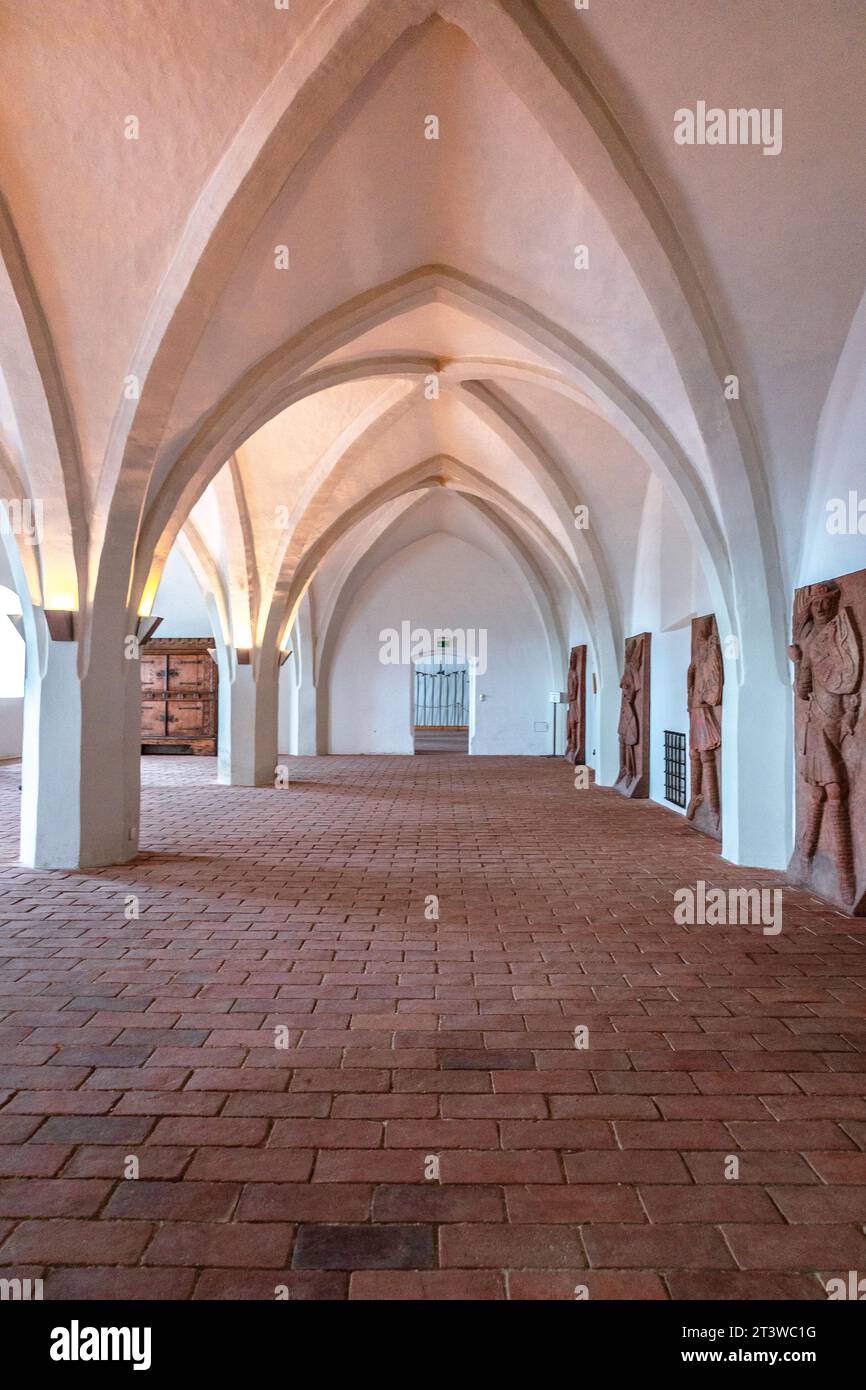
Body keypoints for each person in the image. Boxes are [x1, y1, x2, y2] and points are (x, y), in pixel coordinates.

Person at [788, 580, 861, 902]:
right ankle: (812, 860)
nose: (820, 607)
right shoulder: (809, 637)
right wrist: (798, 663)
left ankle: (842, 872)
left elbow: (847, 672)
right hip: (816, 716)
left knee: (828, 790)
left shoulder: (838, 634)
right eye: (815, 603)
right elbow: (802, 686)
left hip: (835, 714)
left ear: (832, 604)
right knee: (824, 791)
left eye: (825, 602)